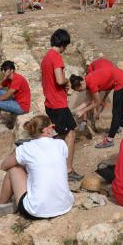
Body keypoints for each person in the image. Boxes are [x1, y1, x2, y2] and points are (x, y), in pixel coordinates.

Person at [0, 115, 74, 219]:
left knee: (13, 169)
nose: (53, 130)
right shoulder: (61, 144)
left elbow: (4, 165)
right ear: (48, 130)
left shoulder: (26, 148)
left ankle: (1, 204)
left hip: (35, 211)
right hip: (65, 205)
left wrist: (21, 162)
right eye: (52, 127)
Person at [40, 29, 82, 181]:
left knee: (61, 134)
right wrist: (67, 80)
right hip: (58, 103)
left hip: (50, 102)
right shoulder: (56, 57)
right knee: (70, 132)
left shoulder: (45, 58)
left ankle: (51, 163)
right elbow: (59, 80)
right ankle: (68, 170)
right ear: (63, 44)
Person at [70, 65, 123, 149]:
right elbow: (87, 100)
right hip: (121, 78)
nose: (80, 92)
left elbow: (97, 102)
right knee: (119, 108)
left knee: (116, 111)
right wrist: (75, 111)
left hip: (121, 80)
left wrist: (83, 111)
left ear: (81, 83)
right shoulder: (87, 81)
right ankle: (117, 127)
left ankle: (109, 140)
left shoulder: (91, 83)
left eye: (79, 90)